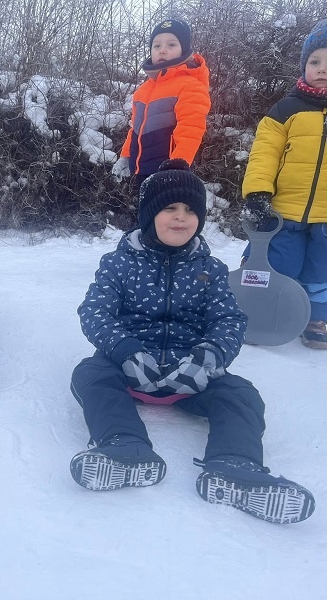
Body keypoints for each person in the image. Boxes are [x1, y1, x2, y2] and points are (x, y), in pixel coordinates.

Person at [70, 159, 315, 524]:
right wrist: (126, 352)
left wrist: (207, 359)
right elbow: (95, 311)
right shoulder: (119, 264)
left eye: (190, 210)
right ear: (149, 215)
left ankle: (234, 465)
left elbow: (229, 320)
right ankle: (124, 445)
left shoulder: (210, 270)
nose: (181, 217)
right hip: (129, 367)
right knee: (90, 374)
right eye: (170, 207)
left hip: (191, 374)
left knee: (240, 394)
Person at [240, 19, 327, 349]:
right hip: (285, 212)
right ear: (304, 66)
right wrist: (258, 193)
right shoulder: (285, 110)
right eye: (315, 61)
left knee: (321, 271)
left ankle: (315, 319)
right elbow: (265, 154)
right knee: (279, 265)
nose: (322, 69)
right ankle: (256, 308)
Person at [111, 18, 211, 186]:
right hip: (142, 170)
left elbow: (191, 129)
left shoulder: (190, 84)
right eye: (157, 46)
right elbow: (135, 128)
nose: (162, 50)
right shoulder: (144, 90)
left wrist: (177, 166)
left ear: (184, 49)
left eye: (171, 45)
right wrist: (125, 156)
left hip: (169, 172)